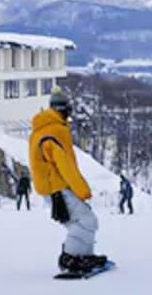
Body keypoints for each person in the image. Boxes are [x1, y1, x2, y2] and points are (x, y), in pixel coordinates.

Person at [29, 86, 107, 274]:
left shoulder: (43, 129)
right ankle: (71, 259)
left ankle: (83, 255)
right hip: (57, 187)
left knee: (79, 221)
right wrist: (82, 190)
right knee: (85, 220)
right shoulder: (54, 131)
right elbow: (65, 165)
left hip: (52, 186)